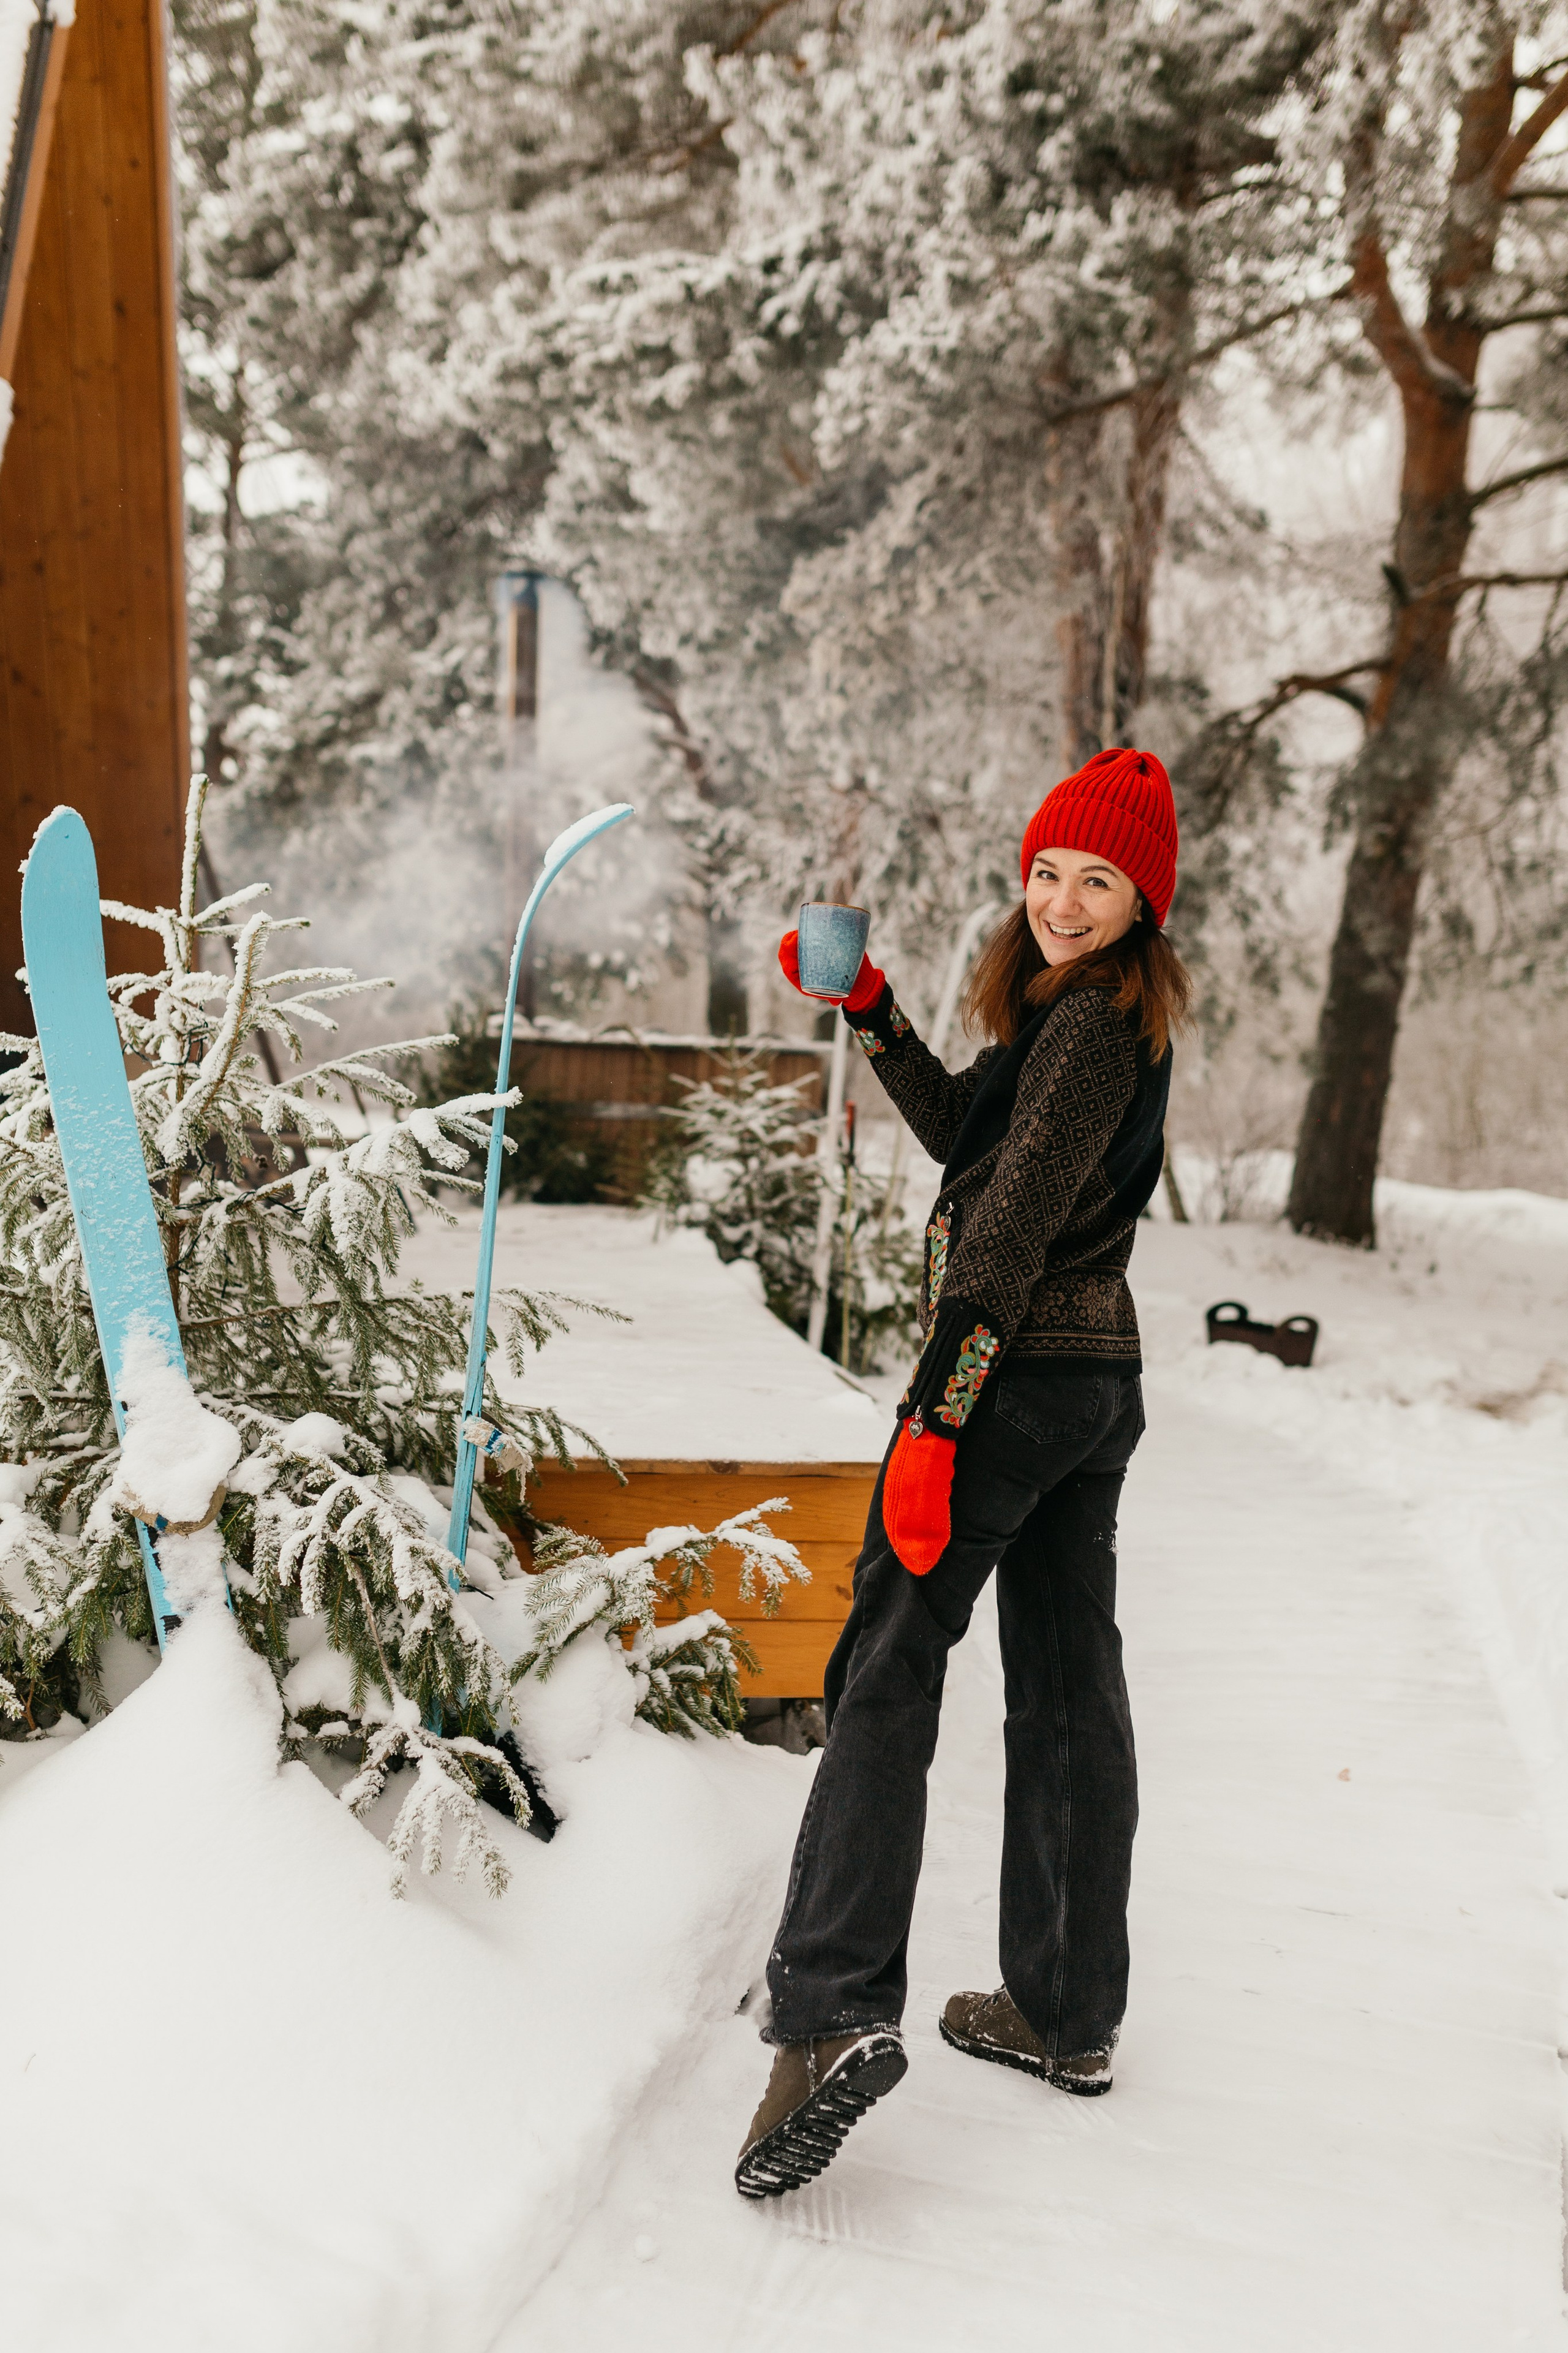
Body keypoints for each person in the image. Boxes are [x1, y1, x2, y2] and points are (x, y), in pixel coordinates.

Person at [735, 747, 1191, 2200]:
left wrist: (936, 1414)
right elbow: (968, 1145)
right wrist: (870, 1014)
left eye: (1097, 880)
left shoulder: (1096, 1028)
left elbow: (1001, 1235)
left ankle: (828, 2011)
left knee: (885, 1659)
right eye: (1048, 870)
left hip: (1004, 1389)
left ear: (1143, 899)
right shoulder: (1074, 1016)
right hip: (1089, 1389)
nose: (1062, 900)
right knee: (1063, 1680)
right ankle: (1060, 2009)